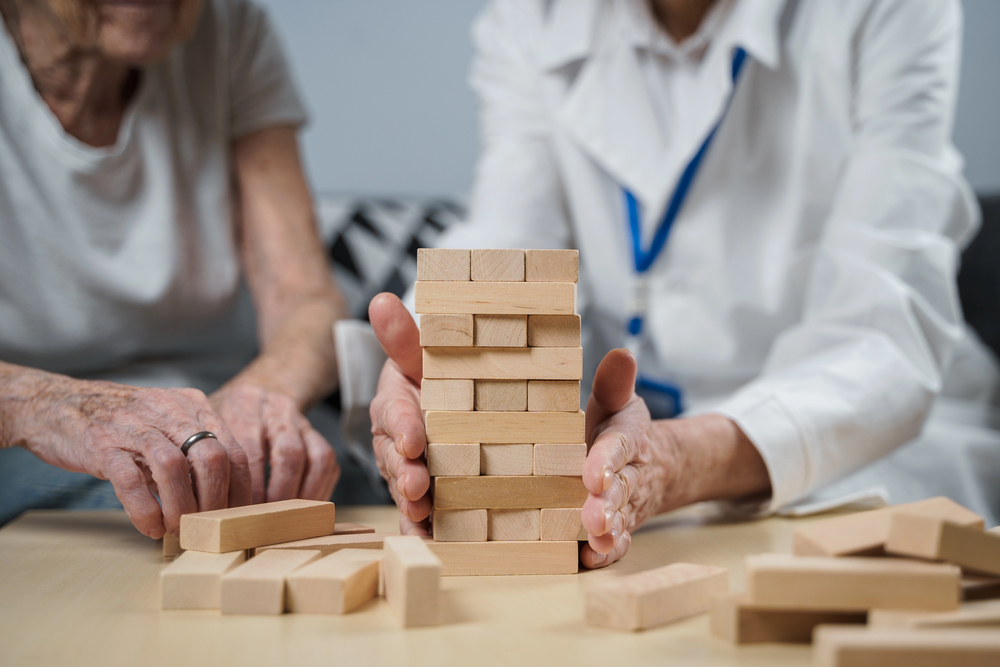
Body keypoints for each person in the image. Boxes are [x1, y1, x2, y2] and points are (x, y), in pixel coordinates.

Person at [366, 0, 1000, 568]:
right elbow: (510, 233)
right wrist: (444, 359)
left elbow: (881, 324)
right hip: (621, 448)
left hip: (845, 433)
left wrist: (672, 462)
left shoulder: (891, 10)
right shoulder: (531, 16)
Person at [0, 0, 349, 538]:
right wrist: (50, 405)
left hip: (213, 411)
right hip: (28, 437)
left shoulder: (231, 28)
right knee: (155, 504)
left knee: (337, 477)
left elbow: (307, 297)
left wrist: (265, 390)